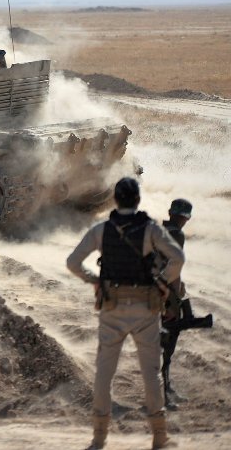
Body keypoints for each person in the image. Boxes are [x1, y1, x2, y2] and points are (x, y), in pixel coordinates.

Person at [66, 177, 185, 450]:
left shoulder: (101, 230)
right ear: (138, 200)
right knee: (151, 374)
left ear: (115, 199)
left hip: (112, 309)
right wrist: (164, 282)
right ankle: (159, 437)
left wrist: (93, 280)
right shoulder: (150, 230)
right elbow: (178, 257)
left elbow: (72, 262)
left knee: (104, 374)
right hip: (146, 309)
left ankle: (98, 438)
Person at [159, 198, 213, 409]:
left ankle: (166, 387)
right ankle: (163, 393)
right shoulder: (176, 234)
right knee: (167, 343)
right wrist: (174, 299)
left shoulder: (158, 230)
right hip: (166, 294)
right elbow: (174, 267)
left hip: (154, 291)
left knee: (164, 344)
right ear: (184, 217)